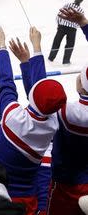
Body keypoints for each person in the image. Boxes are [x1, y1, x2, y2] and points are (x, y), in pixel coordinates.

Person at [0, 26, 67, 215]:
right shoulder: (53, 123)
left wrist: (1, 45)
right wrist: (28, 58)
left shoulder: (12, 116)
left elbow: (6, 81)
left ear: (32, 97)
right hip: (27, 200)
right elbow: (41, 92)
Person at [48, 64, 88, 215]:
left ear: (81, 88)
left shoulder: (66, 111)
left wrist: (33, 55)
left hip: (64, 185)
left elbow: (42, 97)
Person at [48, 0, 85, 65]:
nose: (78, 0)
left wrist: (59, 24)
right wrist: (74, 26)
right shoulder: (79, 9)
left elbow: (59, 15)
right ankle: (63, 60)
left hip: (65, 27)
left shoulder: (69, 6)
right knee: (66, 44)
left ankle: (54, 58)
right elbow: (80, 21)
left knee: (60, 42)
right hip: (70, 29)